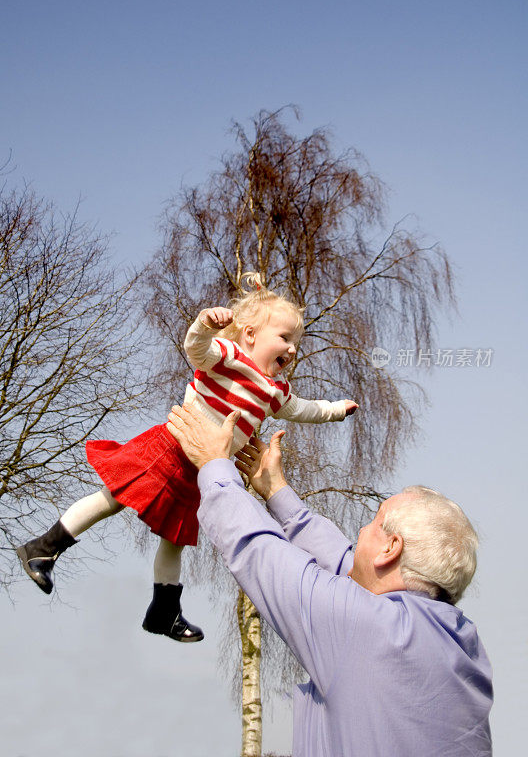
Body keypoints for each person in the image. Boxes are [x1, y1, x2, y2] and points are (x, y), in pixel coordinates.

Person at [16, 274, 358, 644]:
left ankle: (164, 611)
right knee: (113, 498)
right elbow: (197, 350)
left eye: (296, 343)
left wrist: (337, 409)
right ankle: (43, 549)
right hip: (171, 449)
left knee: (174, 538)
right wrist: (203, 324)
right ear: (249, 335)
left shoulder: (276, 392)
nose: (292, 349)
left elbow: (305, 409)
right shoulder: (229, 358)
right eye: (285, 338)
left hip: (201, 470)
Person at [166, 403, 493, 756]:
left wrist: (214, 466)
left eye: (373, 521)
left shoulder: (367, 628)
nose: (361, 530)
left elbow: (261, 554)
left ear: (391, 548)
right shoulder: (463, 643)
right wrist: (278, 493)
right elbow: (349, 571)